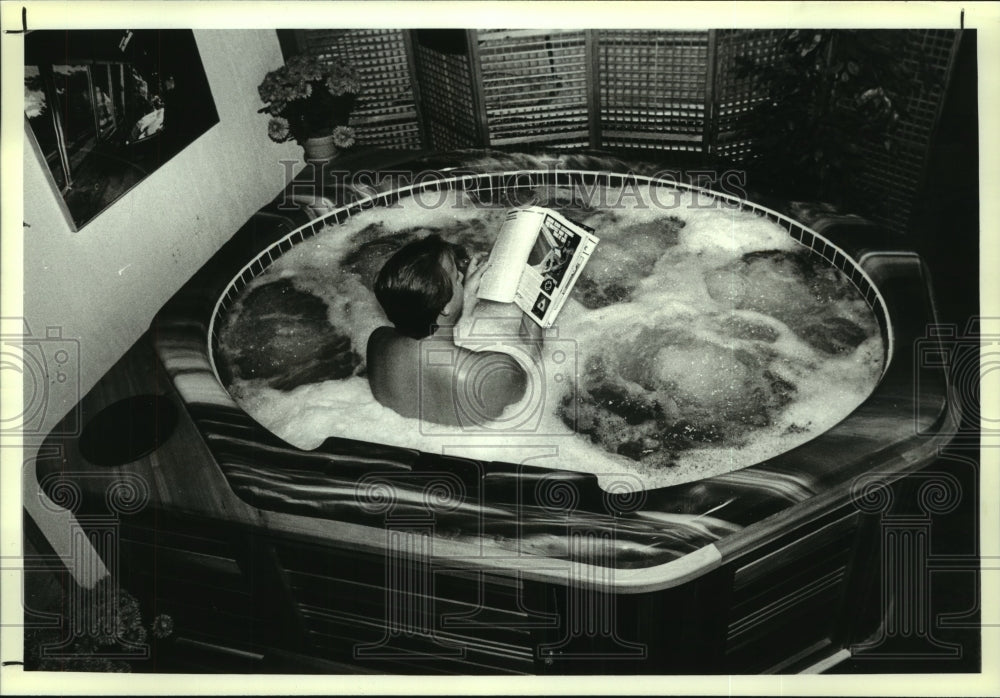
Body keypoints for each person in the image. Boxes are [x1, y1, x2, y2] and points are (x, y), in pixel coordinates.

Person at [367, 235, 542, 426]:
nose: (461, 275)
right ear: (444, 307)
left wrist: (463, 300)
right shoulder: (488, 374)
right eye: (456, 276)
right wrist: (537, 300)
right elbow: (532, 365)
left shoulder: (378, 341)